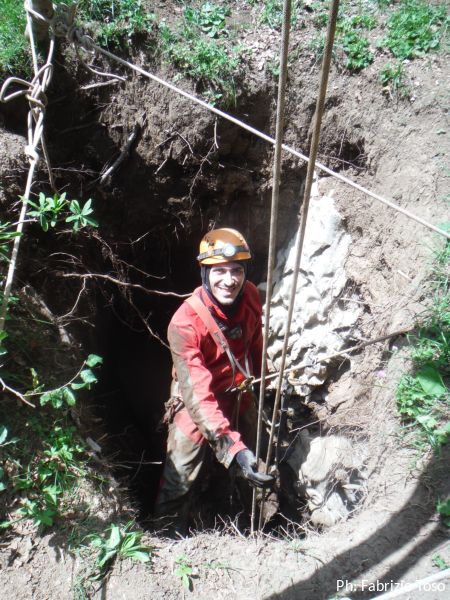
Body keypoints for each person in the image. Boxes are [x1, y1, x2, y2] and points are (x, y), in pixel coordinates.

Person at [155, 228, 274, 533]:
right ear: (205, 273)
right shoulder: (184, 324)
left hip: (238, 391)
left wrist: (264, 382)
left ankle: (253, 518)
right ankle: (167, 537)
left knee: (256, 455)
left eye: (236, 271)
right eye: (219, 271)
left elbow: (255, 341)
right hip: (196, 401)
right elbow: (197, 393)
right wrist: (232, 449)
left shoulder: (250, 295)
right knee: (180, 478)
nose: (229, 280)